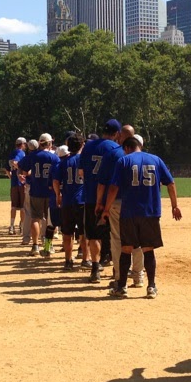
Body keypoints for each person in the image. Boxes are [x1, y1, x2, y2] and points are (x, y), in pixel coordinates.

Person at [102, 134, 182, 298]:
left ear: (127, 148)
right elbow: (170, 183)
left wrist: (106, 208)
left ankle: (121, 287)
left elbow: (113, 188)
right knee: (148, 249)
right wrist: (175, 206)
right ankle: (151, 287)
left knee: (126, 249)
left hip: (129, 212)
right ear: (140, 146)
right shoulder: (155, 159)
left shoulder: (123, 161)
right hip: (150, 212)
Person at [99, 125, 144, 287]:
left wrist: (103, 206)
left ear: (119, 136)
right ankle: (138, 276)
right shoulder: (145, 157)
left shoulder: (114, 154)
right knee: (138, 239)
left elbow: (108, 185)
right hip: (139, 203)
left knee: (117, 239)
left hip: (118, 202)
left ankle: (119, 277)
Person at [81, 119, 122, 283]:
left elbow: (81, 172)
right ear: (117, 133)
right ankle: (116, 270)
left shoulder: (88, 146)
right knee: (114, 235)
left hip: (91, 196)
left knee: (93, 235)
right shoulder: (116, 149)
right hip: (113, 198)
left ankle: (95, 269)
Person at [18, 133, 59, 256]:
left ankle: (35, 246)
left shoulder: (33, 155)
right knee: (49, 221)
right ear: (50, 143)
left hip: (36, 191)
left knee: (35, 218)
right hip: (50, 193)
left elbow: (20, 165)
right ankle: (47, 246)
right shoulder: (54, 157)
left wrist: (20, 175)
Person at [53, 134, 85, 271]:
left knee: (67, 232)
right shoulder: (84, 160)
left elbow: (56, 181)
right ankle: (85, 259)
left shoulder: (63, 162)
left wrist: (58, 195)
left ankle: (68, 260)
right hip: (82, 200)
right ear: (82, 145)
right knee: (84, 232)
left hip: (67, 201)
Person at [7, 137, 27, 235]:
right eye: (25, 144)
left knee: (14, 206)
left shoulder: (11, 153)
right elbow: (15, 162)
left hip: (14, 183)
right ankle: (22, 227)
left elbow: (7, 168)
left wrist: (11, 176)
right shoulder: (21, 153)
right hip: (21, 183)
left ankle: (11, 227)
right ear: (22, 144)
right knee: (23, 207)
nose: (25, 146)